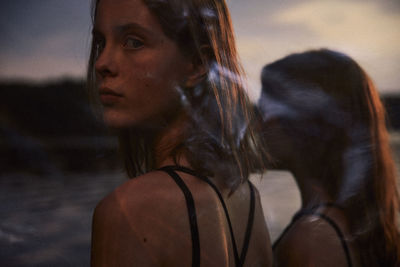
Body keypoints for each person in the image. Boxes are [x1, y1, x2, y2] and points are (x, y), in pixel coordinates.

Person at [87, 0, 272, 266]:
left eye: (133, 42)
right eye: (101, 43)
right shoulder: (247, 197)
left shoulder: (129, 210)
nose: (101, 63)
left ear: (197, 64)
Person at [257, 49, 400, 266]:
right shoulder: (356, 224)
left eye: (265, 111)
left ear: (304, 122)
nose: (260, 125)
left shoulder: (311, 240)